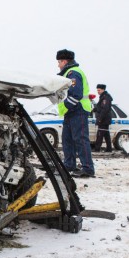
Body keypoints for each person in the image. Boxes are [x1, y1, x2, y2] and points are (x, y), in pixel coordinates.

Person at [56, 49, 95, 177]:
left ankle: (88, 168)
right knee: (67, 140)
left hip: (77, 110)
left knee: (80, 140)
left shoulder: (73, 73)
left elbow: (76, 94)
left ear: (64, 61)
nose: (58, 65)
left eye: (59, 62)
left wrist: (67, 106)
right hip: (71, 112)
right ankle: (69, 165)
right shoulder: (67, 73)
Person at [93, 84, 113, 152]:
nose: (98, 91)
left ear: (103, 90)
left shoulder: (105, 98)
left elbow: (105, 109)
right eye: (97, 90)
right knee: (106, 134)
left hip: (104, 119)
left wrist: (100, 119)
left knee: (100, 134)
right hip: (105, 119)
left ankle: (97, 148)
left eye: (99, 90)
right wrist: (94, 109)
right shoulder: (103, 97)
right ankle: (109, 148)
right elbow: (100, 107)